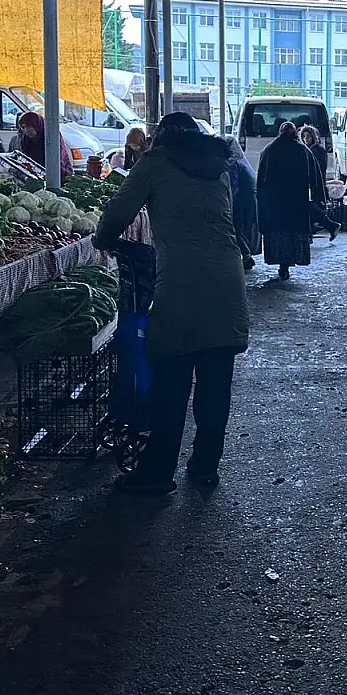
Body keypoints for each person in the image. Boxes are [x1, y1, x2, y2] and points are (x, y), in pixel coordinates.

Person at [93, 112, 249, 496]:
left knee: (171, 383)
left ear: (161, 138)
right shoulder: (218, 166)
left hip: (180, 284)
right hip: (227, 282)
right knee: (215, 384)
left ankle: (158, 472)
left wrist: (103, 240)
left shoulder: (155, 163)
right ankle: (205, 468)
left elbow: (118, 212)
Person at [257, 121, 320, 281]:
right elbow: (315, 178)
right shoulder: (302, 150)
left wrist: (261, 202)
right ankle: (288, 263)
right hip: (296, 203)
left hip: (274, 204)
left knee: (278, 234)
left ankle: (282, 265)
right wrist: (318, 199)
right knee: (293, 234)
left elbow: (261, 181)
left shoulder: (269, 150)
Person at [224, 135, 259, 271]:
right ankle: (247, 253)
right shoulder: (243, 161)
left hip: (240, 202)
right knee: (246, 227)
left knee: (238, 227)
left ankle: (246, 254)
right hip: (251, 200)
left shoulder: (233, 163)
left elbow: (233, 187)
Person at [299, 125, 340, 240]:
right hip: (312, 185)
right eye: (304, 136)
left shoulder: (317, 150)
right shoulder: (308, 150)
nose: (306, 139)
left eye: (308, 136)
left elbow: (319, 169)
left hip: (316, 185)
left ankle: (330, 226)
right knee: (311, 209)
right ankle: (325, 227)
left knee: (312, 209)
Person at [16, 111, 73, 180]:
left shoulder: (50, 135)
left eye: (29, 126)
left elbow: (57, 159)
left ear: (36, 125)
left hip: (58, 174)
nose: (26, 130)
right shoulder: (26, 140)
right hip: (37, 176)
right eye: (23, 127)